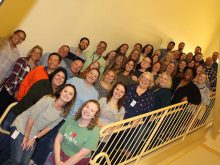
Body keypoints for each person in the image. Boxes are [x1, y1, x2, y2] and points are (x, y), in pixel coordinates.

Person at [2, 84, 77, 165]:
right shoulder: (48, 99)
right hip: (21, 126)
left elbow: (49, 128)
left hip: (33, 134)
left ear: (72, 98)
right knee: (16, 161)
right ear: (61, 91)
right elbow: (31, 118)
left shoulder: (64, 112)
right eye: (65, 91)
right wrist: (26, 137)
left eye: (70, 94)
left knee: (24, 163)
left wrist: (34, 138)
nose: (67, 94)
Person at [44, 100, 100, 165]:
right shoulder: (72, 119)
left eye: (92, 110)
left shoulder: (95, 132)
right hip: (59, 155)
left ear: (94, 116)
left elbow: (81, 155)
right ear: (83, 107)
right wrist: (57, 160)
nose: (87, 111)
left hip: (75, 161)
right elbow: (58, 139)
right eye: (87, 107)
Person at [0, 45, 43, 116]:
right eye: (34, 52)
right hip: (9, 90)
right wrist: (17, 90)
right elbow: (14, 75)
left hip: (19, 96)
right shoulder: (22, 60)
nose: (36, 54)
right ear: (31, 52)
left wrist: (21, 93)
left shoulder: (37, 68)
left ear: (40, 56)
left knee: (5, 114)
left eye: (38, 53)